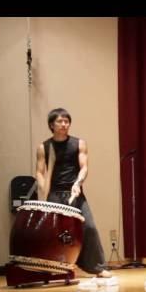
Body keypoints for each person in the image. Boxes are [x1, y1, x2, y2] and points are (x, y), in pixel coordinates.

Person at [35, 108, 112, 278]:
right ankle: (57, 268)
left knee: (89, 227)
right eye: (60, 121)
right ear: (51, 125)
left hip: (74, 193)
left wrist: (78, 183)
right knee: (56, 233)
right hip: (54, 195)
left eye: (66, 121)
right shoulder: (44, 147)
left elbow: (84, 167)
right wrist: (43, 188)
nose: (64, 124)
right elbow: (40, 172)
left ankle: (97, 267)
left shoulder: (78, 143)